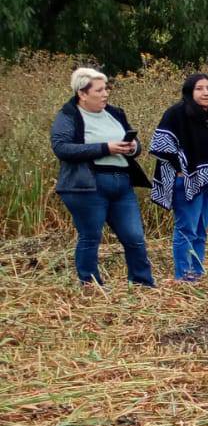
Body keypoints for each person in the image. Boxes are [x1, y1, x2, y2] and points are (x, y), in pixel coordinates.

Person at [50, 67, 154, 287]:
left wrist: (133, 147)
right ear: (82, 93)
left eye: (106, 88)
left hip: (122, 183)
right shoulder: (68, 116)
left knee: (134, 236)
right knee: (91, 237)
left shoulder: (115, 113)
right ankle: (90, 284)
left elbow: (134, 146)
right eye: (99, 90)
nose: (105, 93)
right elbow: (62, 148)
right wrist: (105, 148)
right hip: (87, 185)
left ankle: (143, 283)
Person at [150, 73, 208, 282]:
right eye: (199, 88)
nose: (206, 92)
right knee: (186, 229)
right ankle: (183, 276)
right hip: (187, 182)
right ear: (190, 92)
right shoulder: (176, 114)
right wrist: (179, 169)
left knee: (200, 230)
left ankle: (196, 273)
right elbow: (161, 144)